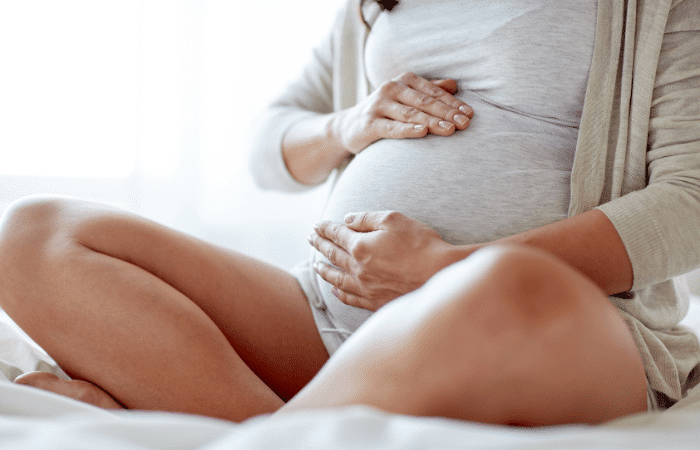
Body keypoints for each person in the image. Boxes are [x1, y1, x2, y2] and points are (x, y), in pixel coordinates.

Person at [0, 0, 699, 426]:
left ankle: (240, 429)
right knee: (33, 234)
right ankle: (280, 428)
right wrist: (347, 125)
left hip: (553, 326)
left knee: (503, 283)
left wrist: (446, 269)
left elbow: (688, 204)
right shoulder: (379, 2)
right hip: (329, 315)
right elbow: (266, 145)